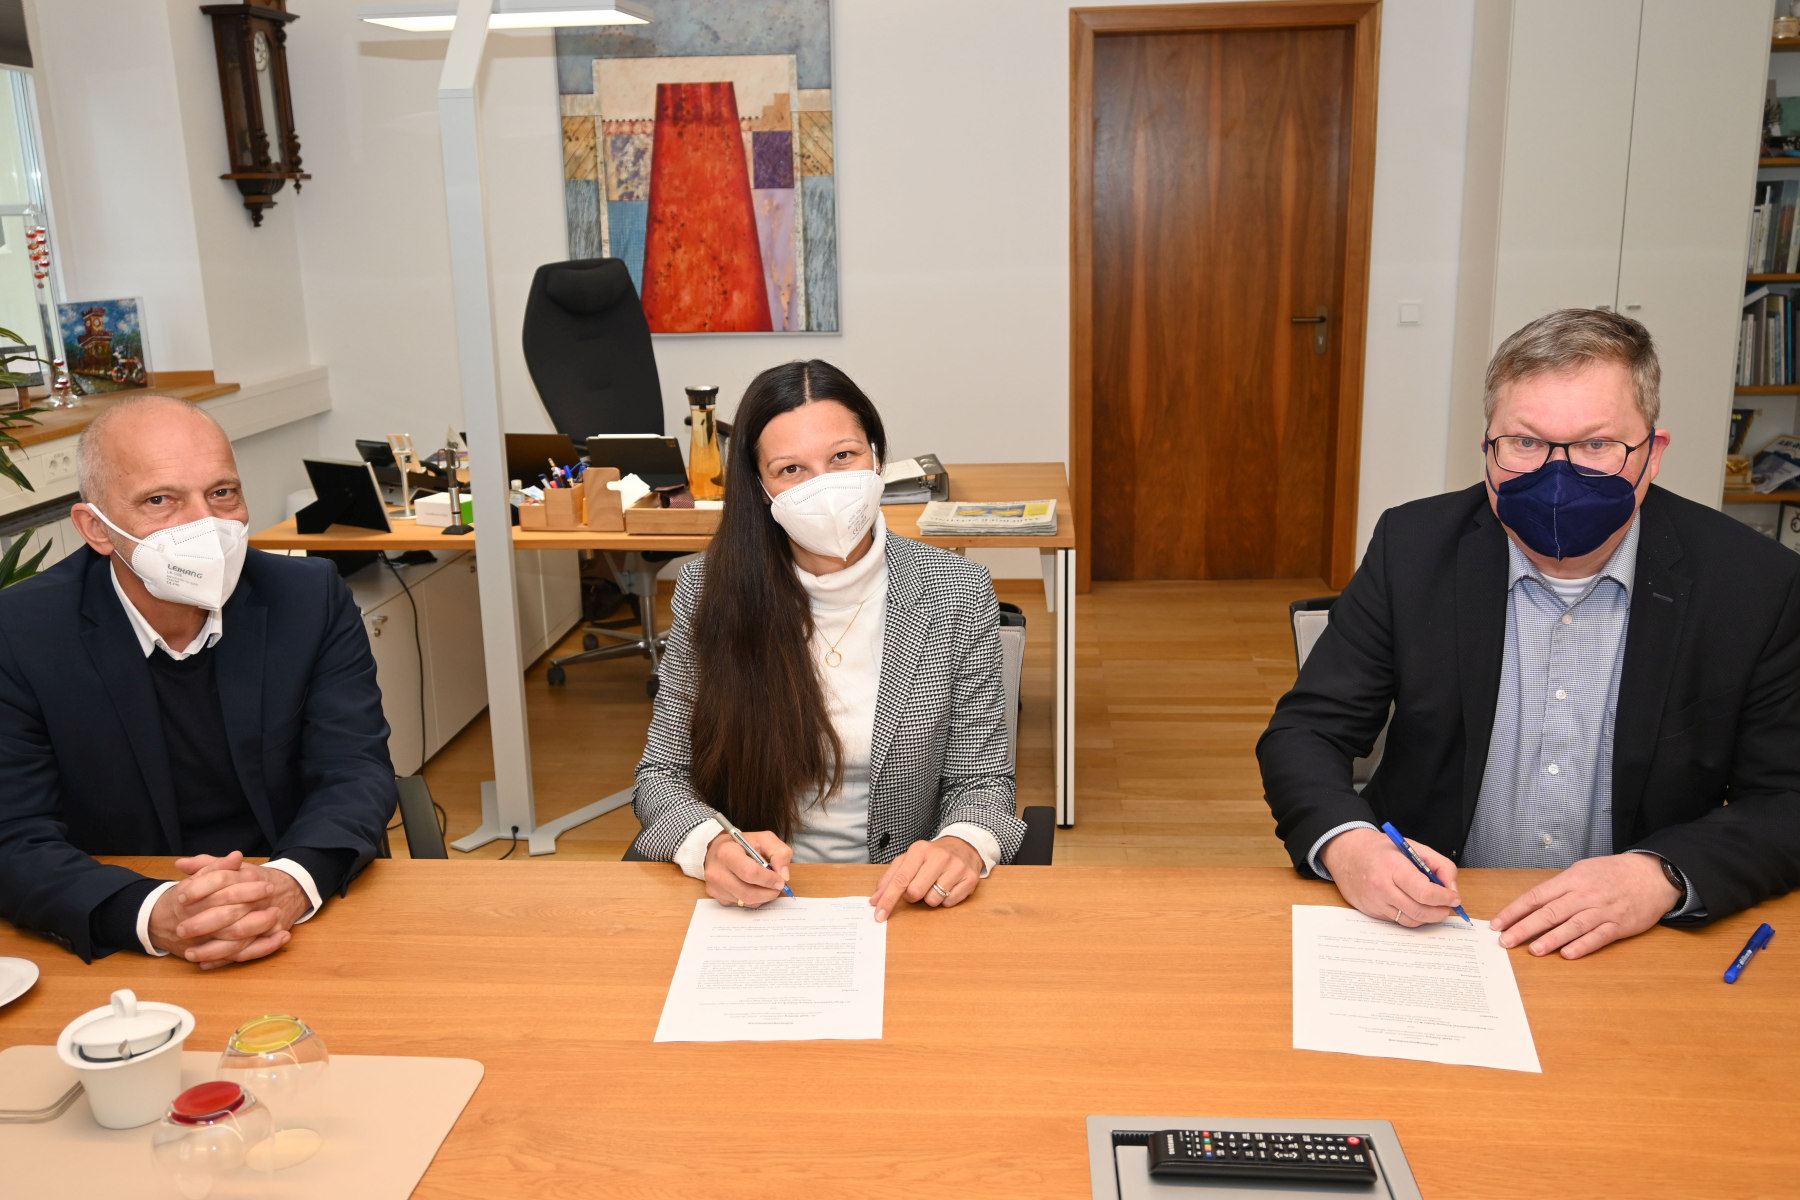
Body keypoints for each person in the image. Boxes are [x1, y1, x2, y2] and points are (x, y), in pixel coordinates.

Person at [1259, 309, 1800, 959]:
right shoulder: (1413, 546)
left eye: (1596, 444)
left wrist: (1661, 873)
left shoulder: (1755, 583)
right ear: (1488, 445)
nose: (1556, 475)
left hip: (1635, 937)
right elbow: (1306, 732)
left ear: (1651, 455)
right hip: (1441, 920)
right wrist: (1351, 844)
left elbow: (1787, 800)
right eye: (1527, 443)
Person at [0, 395, 397, 965]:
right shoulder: (20, 633)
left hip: (293, 912)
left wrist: (288, 884)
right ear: (97, 529)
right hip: (122, 935)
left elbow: (354, 768)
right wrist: (152, 912)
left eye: (221, 493)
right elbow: (14, 834)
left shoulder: (308, 598)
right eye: (160, 500)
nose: (204, 525)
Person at [633, 360, 1024, 920]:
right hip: (756, 906)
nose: (825, 486)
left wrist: (962, 844)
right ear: (760, 488)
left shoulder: (957, 592)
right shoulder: (707, 589)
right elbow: (661, 777)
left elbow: (982, 780)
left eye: (843, 456)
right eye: (791, 468)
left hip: (900, 903)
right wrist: (711, 845)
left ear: (878, 458)